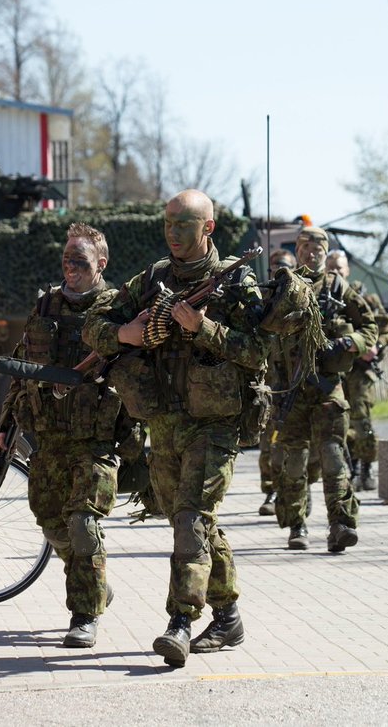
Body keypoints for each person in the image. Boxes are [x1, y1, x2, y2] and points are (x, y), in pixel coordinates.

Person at [83, 189, 268, 668]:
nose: (173, 233)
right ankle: (228, 616)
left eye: (183, 224)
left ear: (207, 228)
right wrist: (127, 333)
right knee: (190, 519)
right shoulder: (152, 280)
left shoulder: (235, 282)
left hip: (216, 423)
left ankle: (180, 622)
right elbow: (96, 323)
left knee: (190, 517)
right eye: (168, 223)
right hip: (165, 422)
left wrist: (203, 328)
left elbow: (259, 352)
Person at [0, 223, 128, 649]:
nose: (70, 268)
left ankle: (83, 615)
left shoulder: (117, 310)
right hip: (48, 439)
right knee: (49, 519)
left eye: (80, 262)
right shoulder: (45, 307)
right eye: (66, 260)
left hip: (96, 439)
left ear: (100, 264)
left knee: (83, 523)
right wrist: (4, 430)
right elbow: (22, 370)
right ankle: (94, 581)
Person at [271, 228, 376, 552]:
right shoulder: (284, 285)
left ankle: (340, 524)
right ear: (298, 250)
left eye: (318, 248)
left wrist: (350, 342)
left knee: (333, 457)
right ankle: (296, 524)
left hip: (329, 388)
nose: (311, 253)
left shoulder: (338, 288)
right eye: (305, 247)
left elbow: (369, 328)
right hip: (292, 388)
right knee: (293, 461)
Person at [325, 249, 388, 491]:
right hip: (334, 371)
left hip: (360, 371)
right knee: (339, 423)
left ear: (348, 270)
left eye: (339, 268)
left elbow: (385, 330)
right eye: (330, 267)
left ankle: (367, 467)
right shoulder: (321, 296)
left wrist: (374, 347)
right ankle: (349, 468)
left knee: (362, 421)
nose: (335, 272)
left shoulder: (364, 297)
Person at [256, 248, 297, 516]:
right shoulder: (260, 298)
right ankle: (271, 489)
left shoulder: (298, 299)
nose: (279, 272)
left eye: (285, 267)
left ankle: (290, 490)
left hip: (294, 384)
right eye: (275, 267)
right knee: (268, 441)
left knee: (293, 444)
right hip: (268, 384)